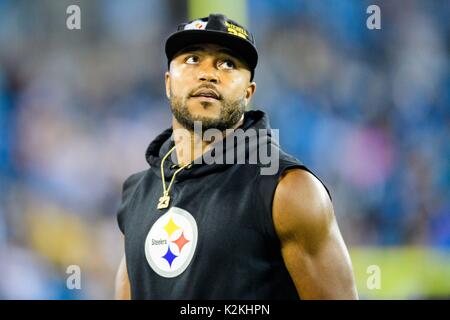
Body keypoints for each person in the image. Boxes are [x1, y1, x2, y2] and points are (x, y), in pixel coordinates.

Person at [115, 13, 358, 300]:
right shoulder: (135, 195)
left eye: (228, 63)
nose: (208, 74)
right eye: (192, 59)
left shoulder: (288, 190)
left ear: (248, 93)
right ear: (168, 83)